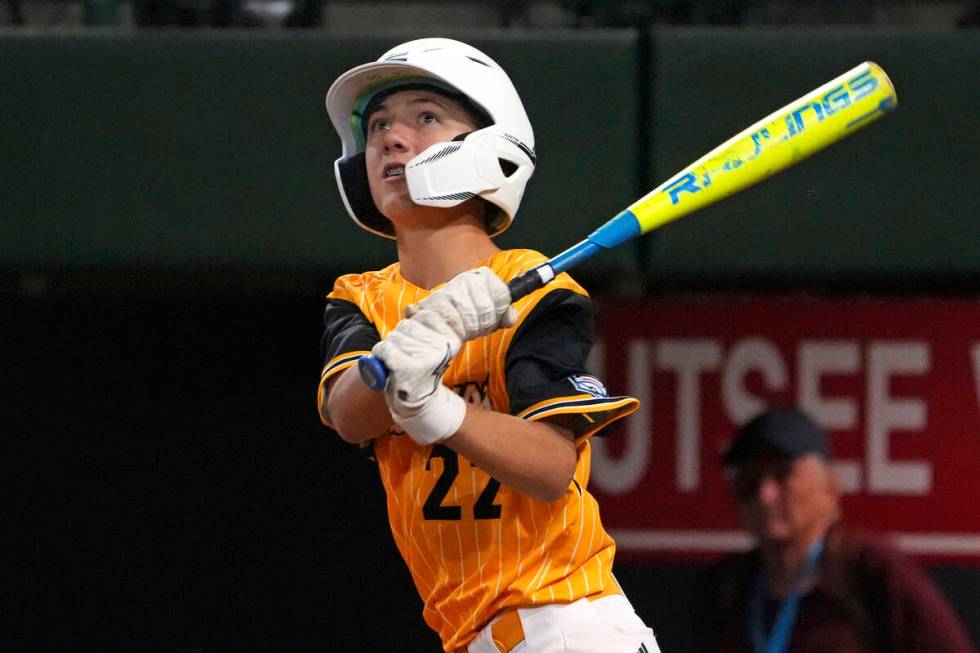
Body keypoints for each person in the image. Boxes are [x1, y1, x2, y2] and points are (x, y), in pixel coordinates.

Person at [316, 37, 661, 653]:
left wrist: (436, 409)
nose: (393, 139)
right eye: (377, 127)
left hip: (567, 623)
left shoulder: (538, 291)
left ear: (489, 146)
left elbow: (552, 469)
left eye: (425, 117)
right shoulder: (361, 297)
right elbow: (347, 414)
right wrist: (403, 352)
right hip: (475, 637)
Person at [695, 406, 977, 653]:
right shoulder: (729, 588)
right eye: (749, 481)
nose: (765, 495)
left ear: (830, 485)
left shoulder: (871, 572)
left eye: (783, 475)